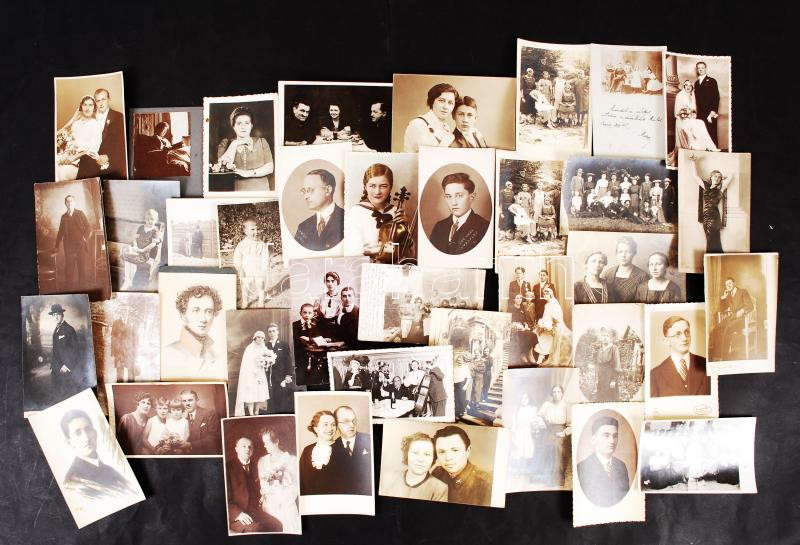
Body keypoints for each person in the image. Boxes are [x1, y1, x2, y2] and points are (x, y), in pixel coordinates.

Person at [60, 409, 137, 498]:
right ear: (69, 443)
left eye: (88, 430)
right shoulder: (72, 482)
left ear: (95, 433)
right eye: (78, 433)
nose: (86, 438)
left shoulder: (110, 470)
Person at [163, 285, 224, 380]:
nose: (203, 319)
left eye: (209, 311)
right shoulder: (168, 353)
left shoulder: (217, 357)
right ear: (183, 314)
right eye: (196, 311)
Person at [227, 437, 283, 533]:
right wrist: (238, 514)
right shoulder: (228, 467)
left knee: (277, 525)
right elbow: (224, 499)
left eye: (250, 447)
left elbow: (259, 488)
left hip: (254, 511)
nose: (247, 449)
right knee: (257, 529)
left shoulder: (256, 466)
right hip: (237, 515)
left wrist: (262, 496)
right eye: (244, 446)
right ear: (236, 449)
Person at [344, 163, 400, 258]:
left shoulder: (396, 212)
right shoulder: (356, 213)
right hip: (365, 265)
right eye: (372, 186)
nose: (377, 192)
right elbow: (353, 251)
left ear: (390, 187)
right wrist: (382, 250)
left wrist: (404, 228)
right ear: (365, 187)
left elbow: (406, 252)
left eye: (383, 186)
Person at [214, 106, 275, 191]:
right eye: (239, 123)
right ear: (233, 126)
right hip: (236, 192)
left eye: (247, 123)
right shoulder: (226, 143)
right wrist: (234, 144)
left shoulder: (262, 142)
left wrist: (246, 173)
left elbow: (270, 168)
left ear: (251, 126)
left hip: (261, 191)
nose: (243, 127)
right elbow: (222, 168)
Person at [429, 172, 490, 255]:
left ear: (471, 197)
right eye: (449, 196)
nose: (453, 203)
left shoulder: (484, 227)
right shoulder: (439, 227)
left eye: (459, 196)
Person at [576, 416, 630, 507]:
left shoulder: (621, 466)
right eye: (606, 435)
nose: (612, 441)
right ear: (594, 440)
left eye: (615, 436)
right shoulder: (582, 467)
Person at [651, 316, 711, 397]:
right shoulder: (655, 375)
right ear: (667, 341)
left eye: (687, 332)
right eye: (678, 334)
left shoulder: (706, 365)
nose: (684, 338)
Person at [431, 426, 491, 506]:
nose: (448, 458)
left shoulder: (486, 483)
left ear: (468, 451)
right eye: (441, 452)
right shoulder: (437, 473)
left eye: (455, 450)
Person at [76, 88, 127, 180]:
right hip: (89, 158)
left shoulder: (119, 117)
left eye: (103, 99)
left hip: (109, 160)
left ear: (109, 99)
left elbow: (122, 144)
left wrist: (108, 157)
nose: (101, 103)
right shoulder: (90, 116)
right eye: (98, 100)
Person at [689, 154, 735, 253]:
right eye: (715, 176)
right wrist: (693, 162)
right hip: (706, 217)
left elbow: (731, 176)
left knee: (711, 240)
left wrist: (723, 180)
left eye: (719, 177)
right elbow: (695, 176)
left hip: (714, 218)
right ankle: (716, 259)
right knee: (711, 240)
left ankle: (712, 259)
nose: (717, 178)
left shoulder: (721, 189)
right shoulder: (706, 186)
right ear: (711, 177)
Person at [381, 432, 448, 501]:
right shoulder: (388, 479)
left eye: (427, 454)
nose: (421, 459)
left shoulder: (440, 488)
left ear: (433, 458)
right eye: (415, 453)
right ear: (406, 454)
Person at [257, 428, 300, 533]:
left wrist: (281, 501)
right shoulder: (262, 461)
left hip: (285, 506)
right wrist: (264, 494)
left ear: (276, 441)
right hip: (268, 507)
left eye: (267, 442)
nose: (265, 445)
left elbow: (296, 487)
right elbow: (263, 486)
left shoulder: (291, 460)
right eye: (264, 443)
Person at [293, 169, 345, 251]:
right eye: (304, 191)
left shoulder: (348, 220)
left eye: (310, 190)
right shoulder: (303, 227)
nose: (305, 197)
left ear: (327, 190)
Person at [56, 95, 101, 181]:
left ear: (94, 108)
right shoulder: (76, 124)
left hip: (84, 161)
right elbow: (70, 143)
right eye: (85, 105)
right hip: (70, 157)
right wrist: (66, 155)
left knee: (62, 171)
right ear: (81, 107)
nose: (87, 108)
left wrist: (74, 157)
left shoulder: (96, 125)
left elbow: (94, 148)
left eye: (90, 105)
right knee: (56, 164)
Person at [709, 277, 754, 361]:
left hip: (742, 319)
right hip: (732, 317)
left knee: (727, 329)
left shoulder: (743, 292)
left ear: (734, 283)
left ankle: (724, 358)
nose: (728, 286)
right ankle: (717, 356)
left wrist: (742, 311)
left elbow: (750, 306)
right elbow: (722, 309)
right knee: (716, 328)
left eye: (729, 283)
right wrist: (723, 298)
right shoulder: (728, 296)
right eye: (726, 285)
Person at [403, 83, 458, 151]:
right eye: (441, 101)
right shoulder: (418, 124)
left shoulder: (446, 128)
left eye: (450, 103)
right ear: (432, 101)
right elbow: (427, 154)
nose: (446, 107)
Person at [535, 385, 571, 487]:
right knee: (544, 449)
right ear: (552, 394)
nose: (556, 394)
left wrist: (564, 433)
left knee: (557, 449)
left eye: (558, 392)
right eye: (554, 392)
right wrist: (541, 422)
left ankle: (556, 480)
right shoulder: (547, 405)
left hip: (561, 430)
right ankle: (543, 479)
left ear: (562, 394)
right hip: (548, 430)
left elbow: (571, 425)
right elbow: (538, 416)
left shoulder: (566, 406)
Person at [331, 405, 372, 495]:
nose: (351, 425)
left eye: (354, 421)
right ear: (336, 424)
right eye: (346, 421)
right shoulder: (332, 448)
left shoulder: (369, 440)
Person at [54, 195, 91, 292]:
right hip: (69, 247)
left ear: (74, 203)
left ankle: (83, 291)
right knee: (69, 271)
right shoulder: (63, 217)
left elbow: (88, 227)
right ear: (65, 203)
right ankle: (69, 291)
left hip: (80, 245)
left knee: (82, 269)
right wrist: (56, 246)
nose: (70, 203)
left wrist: (84, 238)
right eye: (68, 201)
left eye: (71, 201)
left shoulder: (80, 213)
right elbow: (60, 232)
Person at [48, 303, 87, 396]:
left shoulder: (69, 329)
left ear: (62, 315)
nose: (56, 317)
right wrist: (55, 365)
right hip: (56, 368)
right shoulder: (56, 330)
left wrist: (67, 366)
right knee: (55, 395)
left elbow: (75, 350)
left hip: (65, 369)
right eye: (54, 315)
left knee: (65, 395)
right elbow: (56, 350)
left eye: (58, 314)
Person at [673, 80, 719, 157]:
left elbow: (694, 111)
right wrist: (685, 114)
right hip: (681, 120)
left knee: (701, 122)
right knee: (694, 124)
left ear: (692, 87)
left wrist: (692, 114)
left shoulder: (692, 95)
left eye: (690, 85)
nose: (688, 87)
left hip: (690, 119)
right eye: (686, 85)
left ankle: (709, 146)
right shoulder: (680, 95)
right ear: (684, 86)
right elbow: (677, 112)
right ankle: (695, 147)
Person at [299, 410, 338, 495]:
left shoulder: (343, 449)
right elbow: (301, 481)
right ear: (316, 428)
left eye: (333, 425)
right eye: (325, 424)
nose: (330, 429)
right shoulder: (307, 450)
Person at [232, 218, 270, 308]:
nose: (256, 232)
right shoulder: (242, 244)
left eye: (257, 229)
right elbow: (237, 257)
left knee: (260, 284)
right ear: (245, 232)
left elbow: (265, 256)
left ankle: (261, 300)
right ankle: (245, 302)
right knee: (246, 286)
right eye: (253, 229)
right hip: (246, 269)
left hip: (258, 268)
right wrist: (240, 268)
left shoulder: (261, 244)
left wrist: (264, 267)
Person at [532, 286, 572, 366]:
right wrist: (542, 323)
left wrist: (550, 324)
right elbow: (545, 316)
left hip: (554, 326)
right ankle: (540, 357)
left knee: (545, 337)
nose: (545, 296)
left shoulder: (554, 303)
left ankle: (541, 358)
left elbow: (557, 317)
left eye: (546, 294)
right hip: (547, 325)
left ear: (550, 294)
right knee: (537, 334)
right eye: (544, 294)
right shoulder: (547, 305)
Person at [124, 208, 163, 290]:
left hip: (147, 253)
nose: (150, 221)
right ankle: (128, 279)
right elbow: (135, 239)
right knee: (126, 256)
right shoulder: (141, 228)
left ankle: (139, 283)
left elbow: (153, 244)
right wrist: (135, 246)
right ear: (145, 219)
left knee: (139, 263)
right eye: (148, 219)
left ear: (156, 220)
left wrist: (142, 250)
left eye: (152, 219)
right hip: (138, 250)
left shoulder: (155, 231)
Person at [601, 236, 648, 303]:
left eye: (627, 252)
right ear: (616, 254)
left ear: (633, 253)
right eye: (620, 252)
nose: (623, 255)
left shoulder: (642, 276)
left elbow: (642, 303)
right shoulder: (607, 274)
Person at [235, 331, 270, 416]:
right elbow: (246, 363)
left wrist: (267, 363)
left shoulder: (264, 348)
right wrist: (253, 370)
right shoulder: (250, 348)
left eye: (262, 338)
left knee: (259, 393)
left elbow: (268, 358)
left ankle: (256, 412)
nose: (260, 339)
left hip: (260, 374)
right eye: (258, 337)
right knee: (251, 393)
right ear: (255, 338)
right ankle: (251, 413)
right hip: (251, 374)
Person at [181, 389, 221, 455]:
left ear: (197, 400)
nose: (187, 403)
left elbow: (214, 438)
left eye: (190, 400)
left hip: (208, 455)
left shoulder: (210, 413)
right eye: (184, 401)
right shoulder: (184, 420)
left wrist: (190, 445)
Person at [509, 393, 537, 478]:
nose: (524, 400)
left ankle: (523, 470)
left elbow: (534, 420)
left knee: (526, 451)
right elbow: (514, 422)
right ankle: (518, 470)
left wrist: (534, 427)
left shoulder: (531, 409)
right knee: (518, 451)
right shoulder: (517, 409)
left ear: (529, 399)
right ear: (520, 400)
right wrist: (513, 432)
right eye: (522, 398)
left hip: (527, 432)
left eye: (526, 398)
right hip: (519, 432)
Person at [116, 391, 153, 455]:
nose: (146, 406)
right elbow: (118, 443)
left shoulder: (150, 421)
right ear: (137, 403)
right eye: (143, 402)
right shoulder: (126, 419)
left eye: (148, 403)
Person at [694, 61, 721, 147]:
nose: (700, 69)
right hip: (700, 112)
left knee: (711, 132)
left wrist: (713, 110)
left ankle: (714, 152)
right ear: (697, 70)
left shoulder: (712, 81)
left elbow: (716, 97)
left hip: (710, 112)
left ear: (705, 69)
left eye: (702, 68)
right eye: (699, 68)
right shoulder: (696, 83)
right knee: (701, 133)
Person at [594, 328, 620, 401]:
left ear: (611, 338)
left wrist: (613, 380)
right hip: (601, 376)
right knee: (601, 397)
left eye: (607, 336)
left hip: (610, 375)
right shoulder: (600, 349)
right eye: (603, 335)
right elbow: (597, 365)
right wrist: (596, 379)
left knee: (610, 396)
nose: (605, 338)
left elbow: (617, 364)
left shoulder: (614, 348)